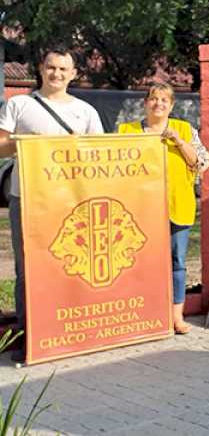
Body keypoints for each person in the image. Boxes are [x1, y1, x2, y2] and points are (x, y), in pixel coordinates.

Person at [0, 47, 104, 337]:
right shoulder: (19, 104)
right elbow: (0, 145)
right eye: (51, 67)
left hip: (71, 201)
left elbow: (99, 156)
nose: (56, 74)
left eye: (63, 69)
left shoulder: (86, 111)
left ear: (73, 74)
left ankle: (65, 328)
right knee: (28, 266)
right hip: (28, 198)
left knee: (69, 264)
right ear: (41, 69)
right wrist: (28, 141)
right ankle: (28, 333)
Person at [118, 82, 209, 335]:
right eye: (153, 99)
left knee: (177, 262)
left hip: (177, 206)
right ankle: (143, 315)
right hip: (138, 211)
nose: (158, 104)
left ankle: (176, 317)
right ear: (145, 103)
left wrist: (179, 141)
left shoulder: (184, 129)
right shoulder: (127, 131)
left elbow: (201, 163)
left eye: (164, 100)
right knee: (138, 261)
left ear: (171, 105)